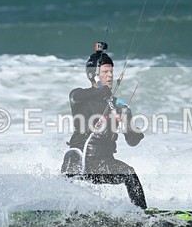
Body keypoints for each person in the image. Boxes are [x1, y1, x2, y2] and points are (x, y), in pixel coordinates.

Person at [61, 42, 147, 209]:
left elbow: (131, 142)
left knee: (130, 174)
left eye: (111, 72)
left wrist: (133, 133)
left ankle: (143, 214)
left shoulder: (118, 105)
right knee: (67, 182)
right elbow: (74, 96)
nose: (110, 76)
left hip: (102, 164)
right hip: (78, 160)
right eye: (105, 72)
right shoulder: (80, 97)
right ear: (93, 75)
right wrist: (101, 92)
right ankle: (60, 210)